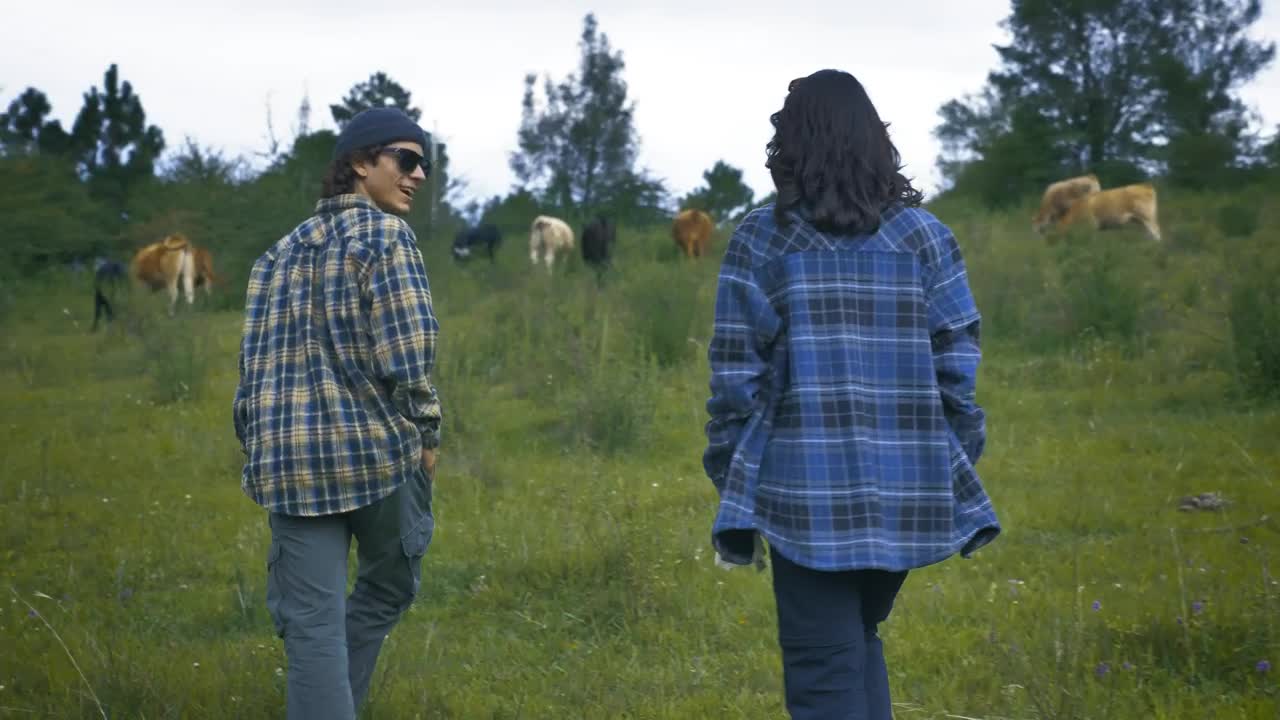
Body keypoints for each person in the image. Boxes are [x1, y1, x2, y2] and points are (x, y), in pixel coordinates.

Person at [703, 70, 1001, 720]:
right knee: (857, 639)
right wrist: (946, 464)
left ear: (791, 142)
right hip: (910, 493)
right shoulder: (925, 237)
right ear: (875, 141)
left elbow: (734, 376)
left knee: (824, 673)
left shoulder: (763, 238)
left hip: (802, 495)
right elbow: (959, 371)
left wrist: (731, 472)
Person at [233, 107, 443, 720]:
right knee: (390, 584)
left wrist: (258, 445)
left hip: (288, 466)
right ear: (359, 163)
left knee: (311, 625)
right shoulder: (387, 237)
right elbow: (409, 356)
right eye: (407, 159)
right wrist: (428, 434)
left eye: (424, 164)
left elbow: (251, 373)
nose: (419, 174)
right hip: (376, 455)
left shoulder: (273, 256)